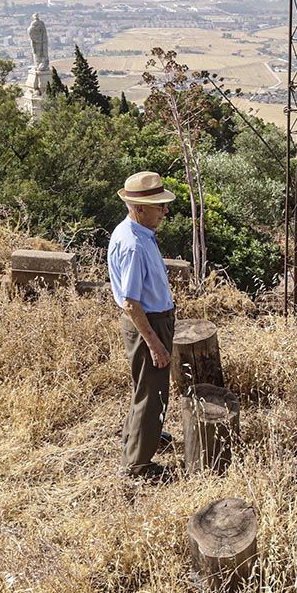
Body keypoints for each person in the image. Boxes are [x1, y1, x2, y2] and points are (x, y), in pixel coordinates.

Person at [108, 170, 177, 479]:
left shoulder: (134, 232)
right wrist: (154, 342)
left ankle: (141, 438)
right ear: (138, 208)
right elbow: (131, 303)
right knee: (153, 395)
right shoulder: (134, 245)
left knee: (145, 389)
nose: (165, 211)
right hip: (147, 323)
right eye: (158, 206)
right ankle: (138, 466)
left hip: (150, 321)